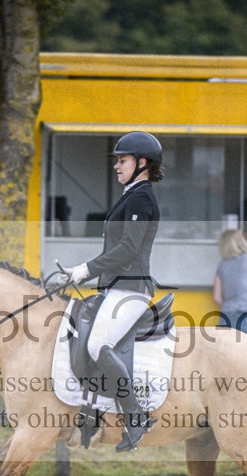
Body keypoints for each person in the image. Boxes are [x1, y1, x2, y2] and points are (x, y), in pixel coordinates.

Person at [54, 131, 164, 452]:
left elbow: (129, 248)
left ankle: (136, 418)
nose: (116, 166)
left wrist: (85, 270)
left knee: (98, 344)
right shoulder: (131, 193)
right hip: (116, 287)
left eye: (122, 160)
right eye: (117, 160)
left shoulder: (141, 198)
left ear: (142, 163)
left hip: (131, 290)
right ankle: (90, 410)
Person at [213, 229, 247, 338]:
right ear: (241, 241)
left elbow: (217, 297)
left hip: (226, 314)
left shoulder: (222, 265)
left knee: (226, 352)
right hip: (246, 313)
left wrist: (228, 307)